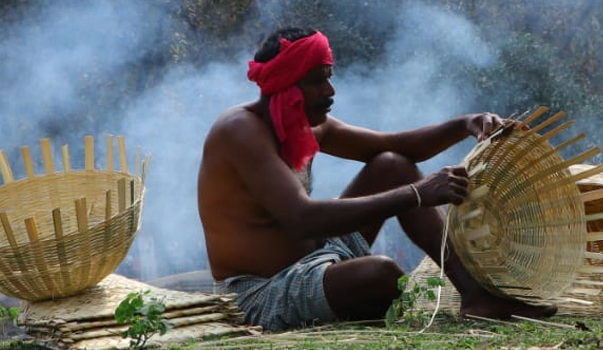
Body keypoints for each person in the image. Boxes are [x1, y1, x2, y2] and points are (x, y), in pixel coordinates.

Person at [196, 26, 556, 331]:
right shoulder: (241, 130)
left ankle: (476, 296)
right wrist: (416, 193)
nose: (330, 91)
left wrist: (465, 123)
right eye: (318, 81)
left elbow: (396, 147)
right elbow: (301, 217)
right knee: (381, 275)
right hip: (262, 293)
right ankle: (354, 298)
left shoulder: (305, 124)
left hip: (320, 258)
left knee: (391, 165)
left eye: (329, 77)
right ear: (287, 84)